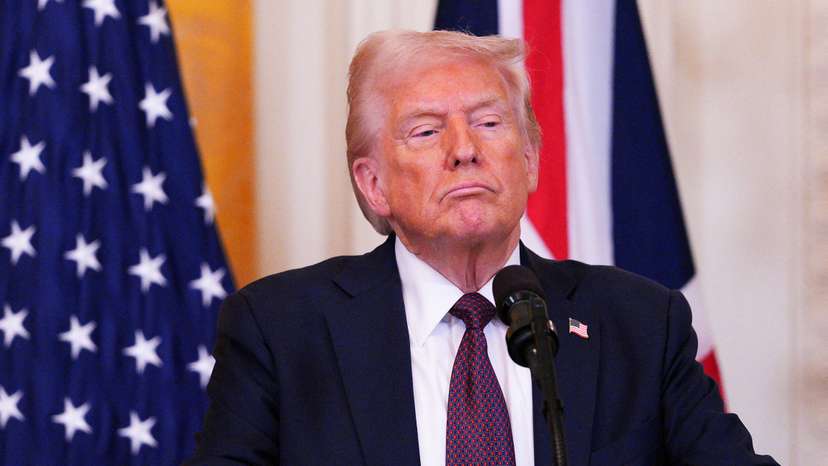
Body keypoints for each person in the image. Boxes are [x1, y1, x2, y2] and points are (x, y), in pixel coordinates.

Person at [186, 30, 777, 465]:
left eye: (489, 123)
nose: (465, 149)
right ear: (373, 184)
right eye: (426, 130)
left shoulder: (638, 324)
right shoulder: (282, 329)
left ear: (530, 160)